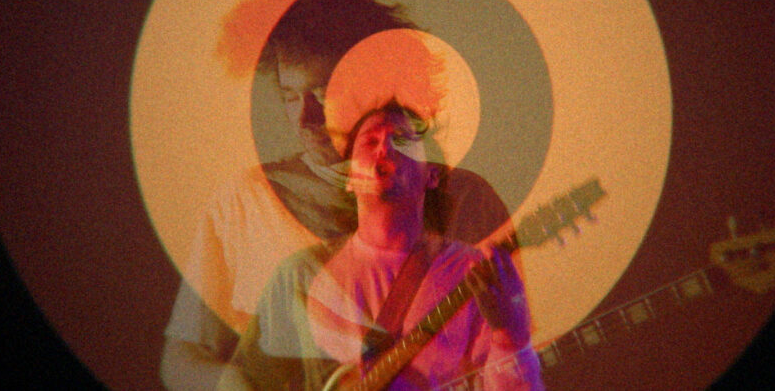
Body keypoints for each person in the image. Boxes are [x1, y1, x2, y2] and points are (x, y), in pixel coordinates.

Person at [160, 0, 511, 390]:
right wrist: (235, 384)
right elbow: (181, 360)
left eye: (323, 92)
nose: (303, 117)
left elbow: (511, 352)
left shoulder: (468, 200)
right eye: (290, 95)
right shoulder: (244, 201)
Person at [231, 99, 544, 390]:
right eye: (370, 141)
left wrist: (511, 338)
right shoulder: (300, 274)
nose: (384, 148)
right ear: (349, 178)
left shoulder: (472, 273)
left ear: (431, 175)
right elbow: (242, 381)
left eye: (403, 140)